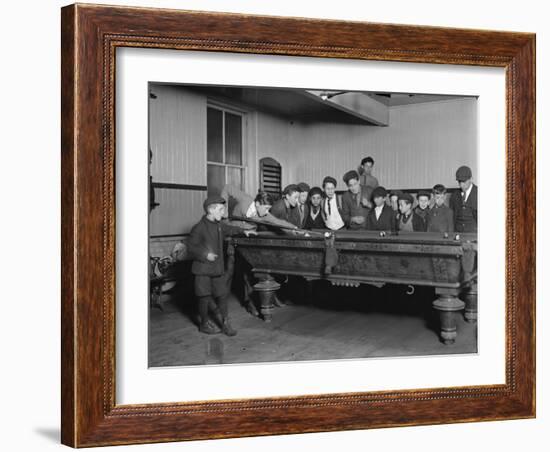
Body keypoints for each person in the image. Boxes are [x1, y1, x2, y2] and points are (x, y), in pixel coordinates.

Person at [187, 195, 255, 336]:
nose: (223, 212)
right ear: (210, 210)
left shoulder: (219, 225)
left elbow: (230, 229)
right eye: (220, 209)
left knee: (222, 295)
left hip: (217, 269)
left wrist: (244, 231)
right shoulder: (198, 228)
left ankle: (225, 322)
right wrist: (206, 255)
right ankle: (204, 323)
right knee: (204, 297)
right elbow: (191, 247)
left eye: (223, 209)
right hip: (203, 270)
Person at [220, 184, 298, 231]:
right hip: (232, 229)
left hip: (248, 235)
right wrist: (224, 211)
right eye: (266, 208)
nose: (267, 212)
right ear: (257, 204)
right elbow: (227, 188)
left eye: (268, 209)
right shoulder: (246, 199)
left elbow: (278, 222)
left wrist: (294, 228)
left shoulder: (264, 215)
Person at [449, 165, 478, 233]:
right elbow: (452, 218)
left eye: (464, 181)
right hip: (458, 234)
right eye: (459, 181)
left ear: (471, 179)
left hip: (474, 235)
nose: (461, 185)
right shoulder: (454, 195)